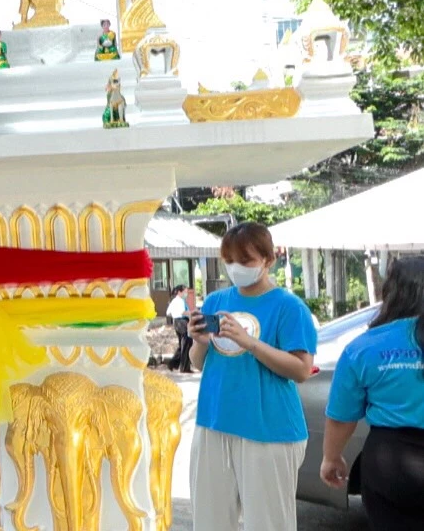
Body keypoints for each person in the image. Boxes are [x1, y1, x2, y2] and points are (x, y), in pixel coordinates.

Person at [187, 222, 316, 531]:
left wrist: (251, 343)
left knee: (268, 523)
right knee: (208, 521)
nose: (236, 268)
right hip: (214, 422)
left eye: (245, 261)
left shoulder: (289, 307)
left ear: (268, 260)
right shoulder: (217, 301)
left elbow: (301, 369)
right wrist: (198, 342)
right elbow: (197, 363)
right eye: (229, 261)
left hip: (269, 430)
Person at [321, 256, 424, 530]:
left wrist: (331, 458)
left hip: (391, 464)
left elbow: (341, 417)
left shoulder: (364, 347)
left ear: (390, 291)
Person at [166, 285, 193, 373]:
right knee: (187, 344)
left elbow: (168, 313)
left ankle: (173, 363)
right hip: (182, 322)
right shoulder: (180, 301)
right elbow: (183, 312)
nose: (186, 294)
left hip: (176, 322)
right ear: (179, 292)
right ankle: (184, 367)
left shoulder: (173, 301)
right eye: (185, 292)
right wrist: (191, 313)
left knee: (182, 345)